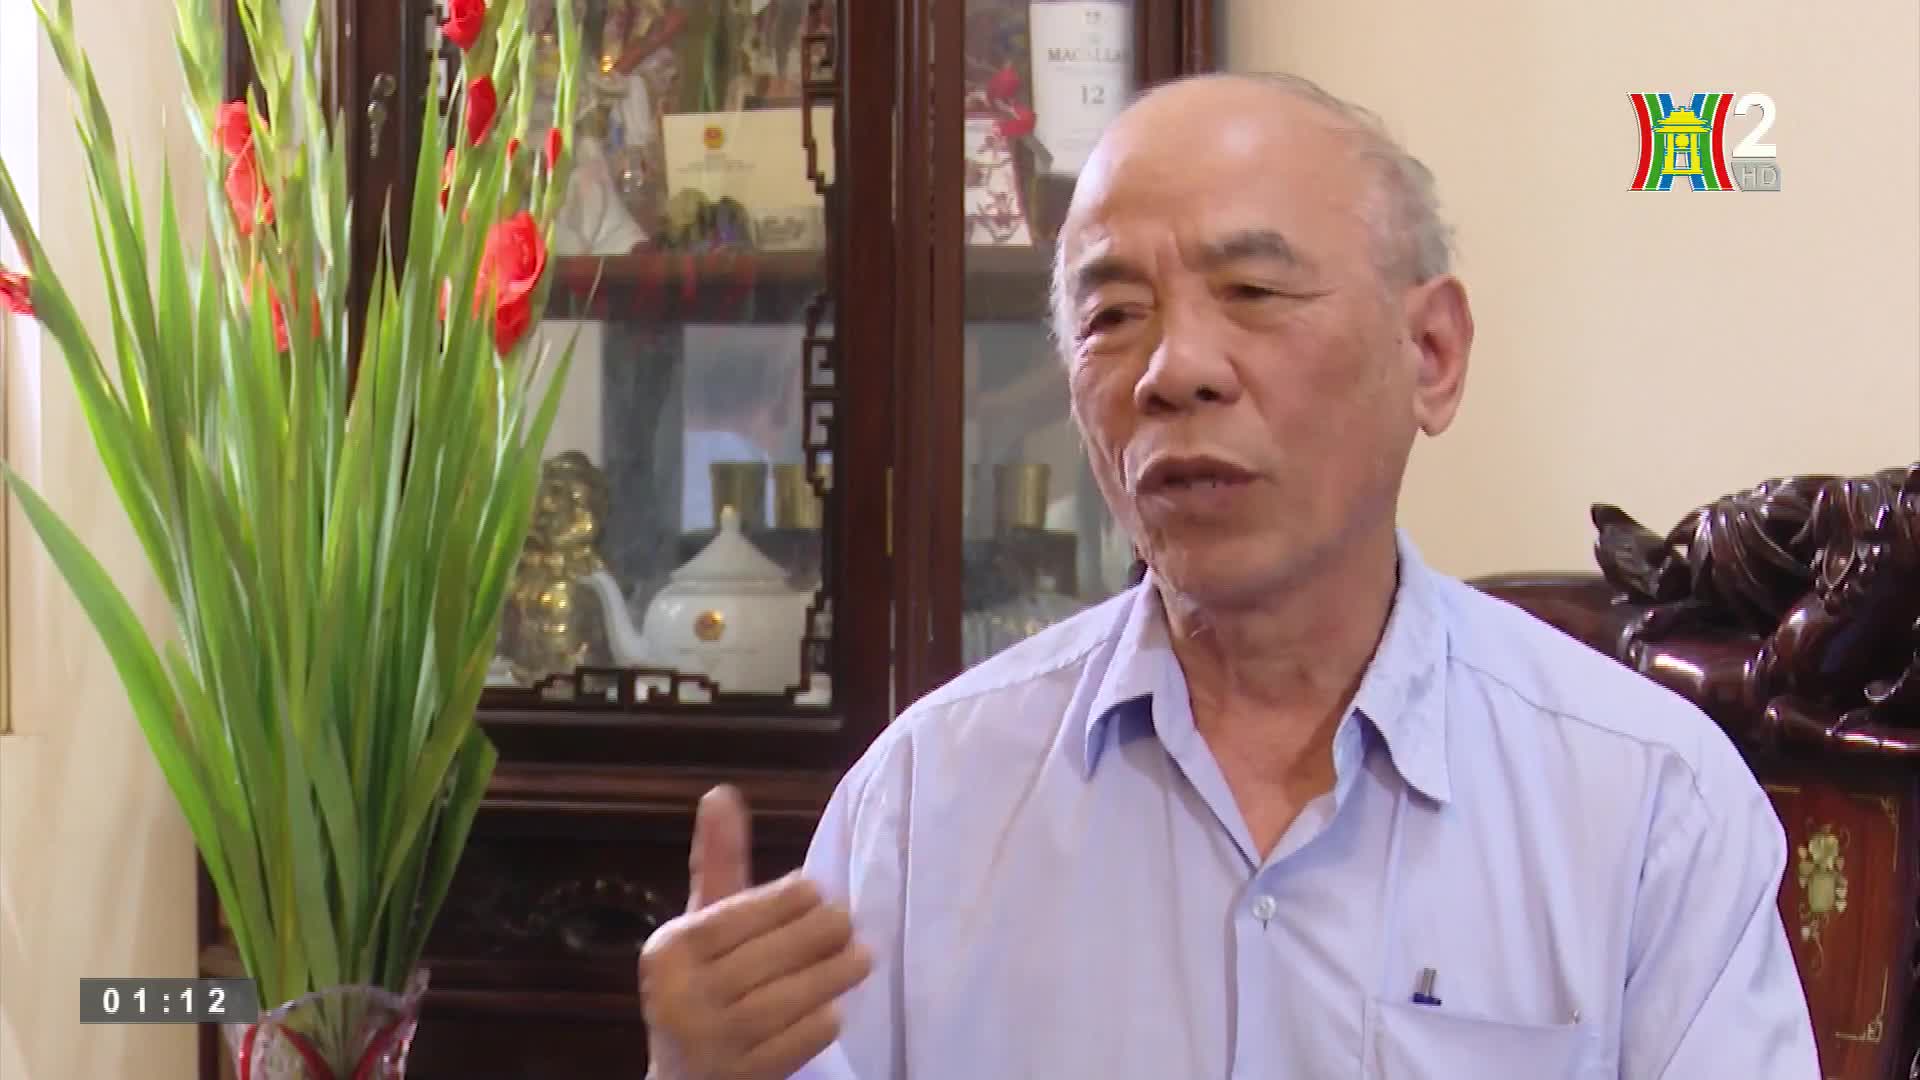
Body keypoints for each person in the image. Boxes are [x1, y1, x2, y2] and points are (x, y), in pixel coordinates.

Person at [633, 72, 1822, 1079]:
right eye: (1113, 316)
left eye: (1253, 292)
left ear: (1433, 353)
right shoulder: (925, 808)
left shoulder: (1645, 805)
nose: (1176, 369)